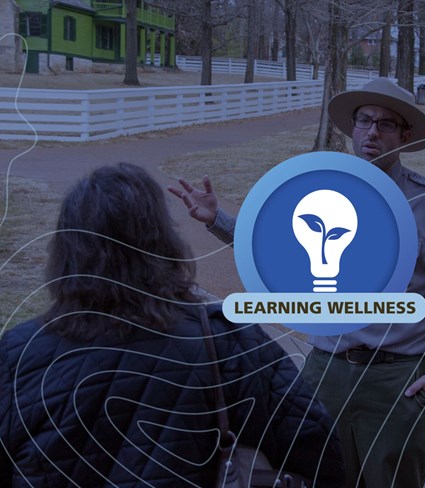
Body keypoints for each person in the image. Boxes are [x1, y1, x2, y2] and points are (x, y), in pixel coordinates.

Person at [169, 77, 425, 488]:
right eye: (364, 120)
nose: (372, 131)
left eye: (386, 124)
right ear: (351, 128)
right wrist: (217, 220)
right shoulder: (324, 192)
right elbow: (274, 250)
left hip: (396, 382)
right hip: (325, 371)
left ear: (406, 135)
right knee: (317, 476)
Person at [0, 163, 345, 487]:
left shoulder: (16, 354)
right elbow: (317, 450)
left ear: (66, 250)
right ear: (163, 243)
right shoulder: (229, 342)